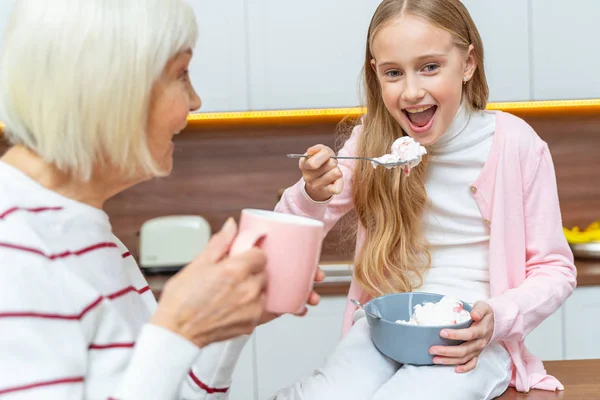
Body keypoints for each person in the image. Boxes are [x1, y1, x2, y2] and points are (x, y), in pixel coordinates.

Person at [0, 1, 324, 398]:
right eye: (181, 74)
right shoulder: (13, 249)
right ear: (112, 86)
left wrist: (225, 326)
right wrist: (178, 329)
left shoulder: (87, 233)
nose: (195, 100)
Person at [274, 0, 577, 398]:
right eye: (394, 73)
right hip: (385, 328)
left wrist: (498, 318)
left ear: (467, 63)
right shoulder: (371, 142)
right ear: (375, 73)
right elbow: (287, 236)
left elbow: (555, 268)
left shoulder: (516, 145)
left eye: (430, 67)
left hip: (470, 342)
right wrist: (312, 192)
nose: (412, 91)